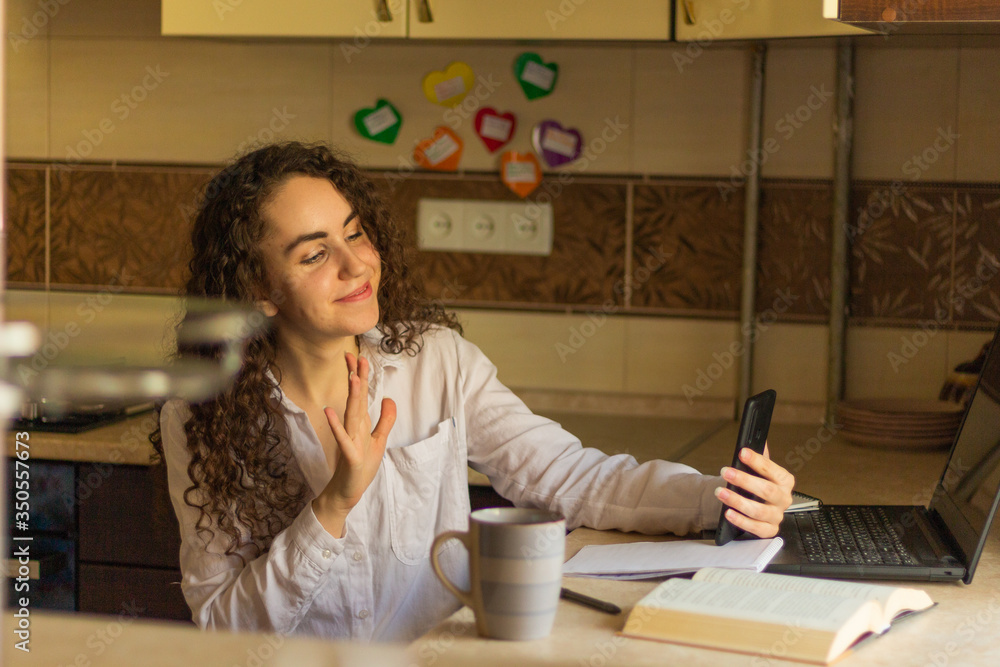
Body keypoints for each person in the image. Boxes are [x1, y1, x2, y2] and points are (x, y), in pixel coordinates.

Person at [151, 141, 795, 643]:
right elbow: (225, 629)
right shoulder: (200, 414)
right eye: (314, 255)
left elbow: (573, 478)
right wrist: (332, 507)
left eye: (354, 233)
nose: (355, 265)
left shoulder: (438, 363)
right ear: (258, 289)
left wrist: (723, 499)